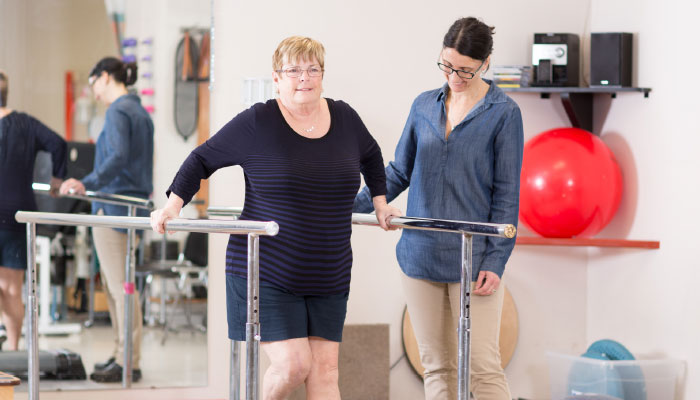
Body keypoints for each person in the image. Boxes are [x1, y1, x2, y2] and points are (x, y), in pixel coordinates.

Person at [150, 36, 401, 400]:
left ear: (322, 74)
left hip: (329, 269)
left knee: (326, 372)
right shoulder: (258, 121)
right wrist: (174, 206)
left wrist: (380, 202)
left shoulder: (344, 116)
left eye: (312, 69)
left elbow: (372, 155)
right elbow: (201, 159)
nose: (304, 78)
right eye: (294, 70)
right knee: (293, 366)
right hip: (267, 269)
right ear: (276, 78)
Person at [354, 17, 524, 400]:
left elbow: (507, 195)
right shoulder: (423, 106)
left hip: (474, 261)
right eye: (447, 66)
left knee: (483, 367)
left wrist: (496, 261)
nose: (455, 76)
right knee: (436, 367)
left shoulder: (503, 113)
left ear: (486, 63)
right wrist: (350, 204)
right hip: (420, 256)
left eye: (465, 69)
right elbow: (399, 171)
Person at [60, 57, 153, 382]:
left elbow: (117, 158)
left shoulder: (117, 111)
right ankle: (121, 354)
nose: (93, 91)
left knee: (122, 289)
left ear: (106, 77)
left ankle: (129, 361)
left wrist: (88, 182)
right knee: (119, 288)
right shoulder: (140, 112)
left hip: (114, 209)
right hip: (129, 210)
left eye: (93, 83)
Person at [0, 70, 67, 351]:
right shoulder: (25, 123)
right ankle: (13, 351)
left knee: (9, 288)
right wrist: (58, 179)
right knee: (13, 288)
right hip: (18, 213)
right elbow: (58, 143)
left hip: (10, 214)